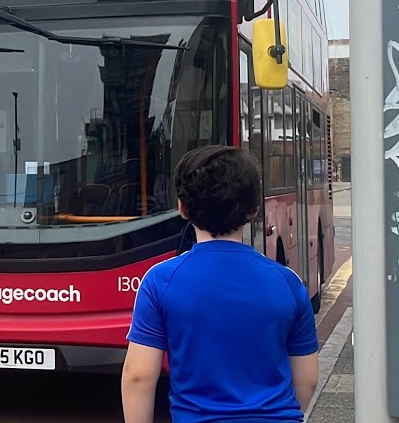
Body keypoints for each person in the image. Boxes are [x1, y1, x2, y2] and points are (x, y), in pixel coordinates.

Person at [121, 145, 319, 423]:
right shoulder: (288, 282)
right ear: (253, 210)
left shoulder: (160, 281)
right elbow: (307, 379)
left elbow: (138, 377)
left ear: (182, 208)